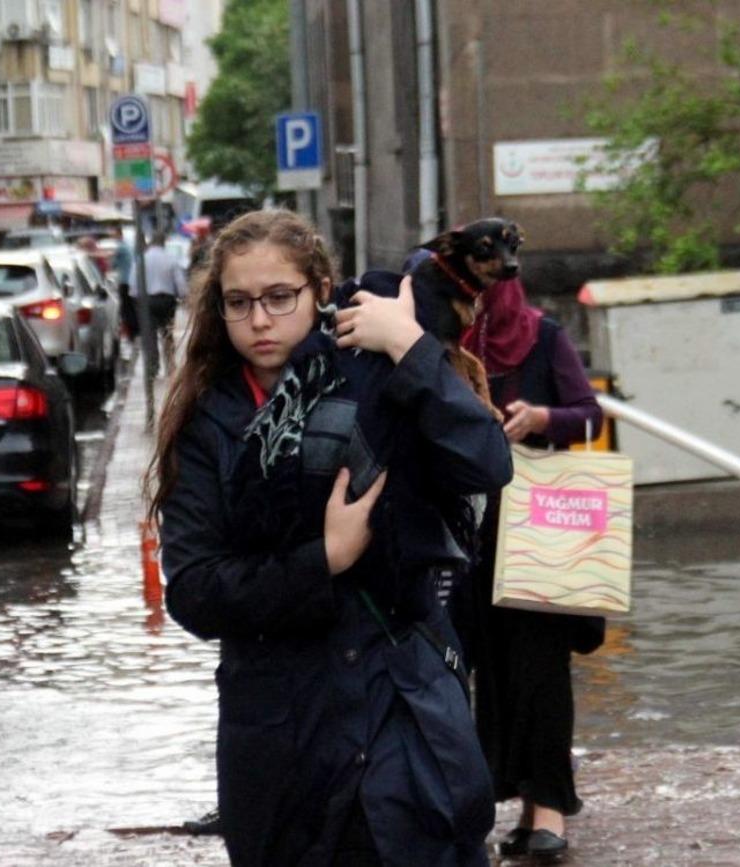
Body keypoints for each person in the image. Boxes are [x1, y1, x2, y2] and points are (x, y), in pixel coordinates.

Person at [146, 209, 512, 866]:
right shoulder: (209, 423)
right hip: (284, 739)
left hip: (402, 713)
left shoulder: (381, 376)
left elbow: (486, 463)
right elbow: (196, 592)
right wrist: (327, 557)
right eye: (239, 302)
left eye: (279, 297)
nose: (260, 320)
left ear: (319, 290)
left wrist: (411, 347)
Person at [461, 277, 605, 861]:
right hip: (473, 533)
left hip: (543, 531)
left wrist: (541, 417)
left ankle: (549, 807)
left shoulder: (544, 336)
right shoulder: (448, 343)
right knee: (492, 673)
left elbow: (590, 417)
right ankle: (520, 803)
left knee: (542, 668)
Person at [128, 230, 187, 377]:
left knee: (150, 335)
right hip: (167, 300)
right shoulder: (170, 258)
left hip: (147, 301)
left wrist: (136, 299)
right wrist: (183, 297)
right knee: (167, 334)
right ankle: (170, 365)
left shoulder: (142, 259)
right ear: (163, 242)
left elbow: (133, 283)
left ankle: (153, 367)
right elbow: (180, 283)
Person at [109, 226, 136, 342]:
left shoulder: (121, 247)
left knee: (126, 309)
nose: (112, 236)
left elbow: (112, 264)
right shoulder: (126, 246)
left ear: (119, 234)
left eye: (113, 234)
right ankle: (133, 332)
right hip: (130, 281)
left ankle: (131, 333)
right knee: (130, 308)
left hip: (125, 282)